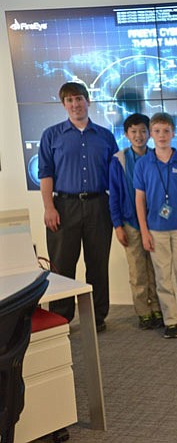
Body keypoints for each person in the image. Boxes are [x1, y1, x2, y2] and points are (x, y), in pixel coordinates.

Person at [38, 82, 118, 332]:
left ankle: (96, 318)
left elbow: (115, 177)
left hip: (98, 206)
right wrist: (48, 207)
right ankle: (61, 318)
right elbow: (45, 174)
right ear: (64, 105)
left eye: (79, 99)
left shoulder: (105, 136)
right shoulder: (51, 135)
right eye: (69, 100)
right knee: (62, 265)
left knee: (97, 263)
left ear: (88, 101)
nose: (75, 104)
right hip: (63, 206)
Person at [134, 113, 177, 339]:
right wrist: (144, 231)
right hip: (155, 230)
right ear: (151, 135)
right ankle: (171, 320)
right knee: (163, 277)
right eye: (157, 131)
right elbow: (139, 200)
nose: (161, 136)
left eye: (166, 131)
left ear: (173, 133)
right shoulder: (143, 164)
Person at [109, 113, 162, 330]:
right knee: (138, 270)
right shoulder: (119, 160)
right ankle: (144, 311)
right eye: (134, 131)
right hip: (130, 223)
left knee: (157, 269)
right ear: (126, 134)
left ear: (149, 133)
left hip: (156, 223)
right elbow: (113, 194)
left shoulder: (158, 156)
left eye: (142, 130)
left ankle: (159, 307)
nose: (138, 135)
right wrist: (117, 225)